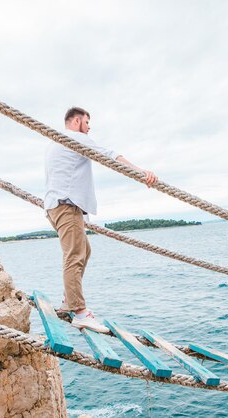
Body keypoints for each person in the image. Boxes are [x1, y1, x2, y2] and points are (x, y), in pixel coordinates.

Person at [44, 107, 157, 333]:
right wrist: (141, 172)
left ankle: (69, 301)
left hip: (58, 206)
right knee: (75, 256)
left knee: (84, 251)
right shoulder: (75, 137)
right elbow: (110, 154)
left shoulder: (56, 143)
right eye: (87, 123)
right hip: (66, 206)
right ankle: (80, 312)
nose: (88, 129)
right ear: (77, 121)